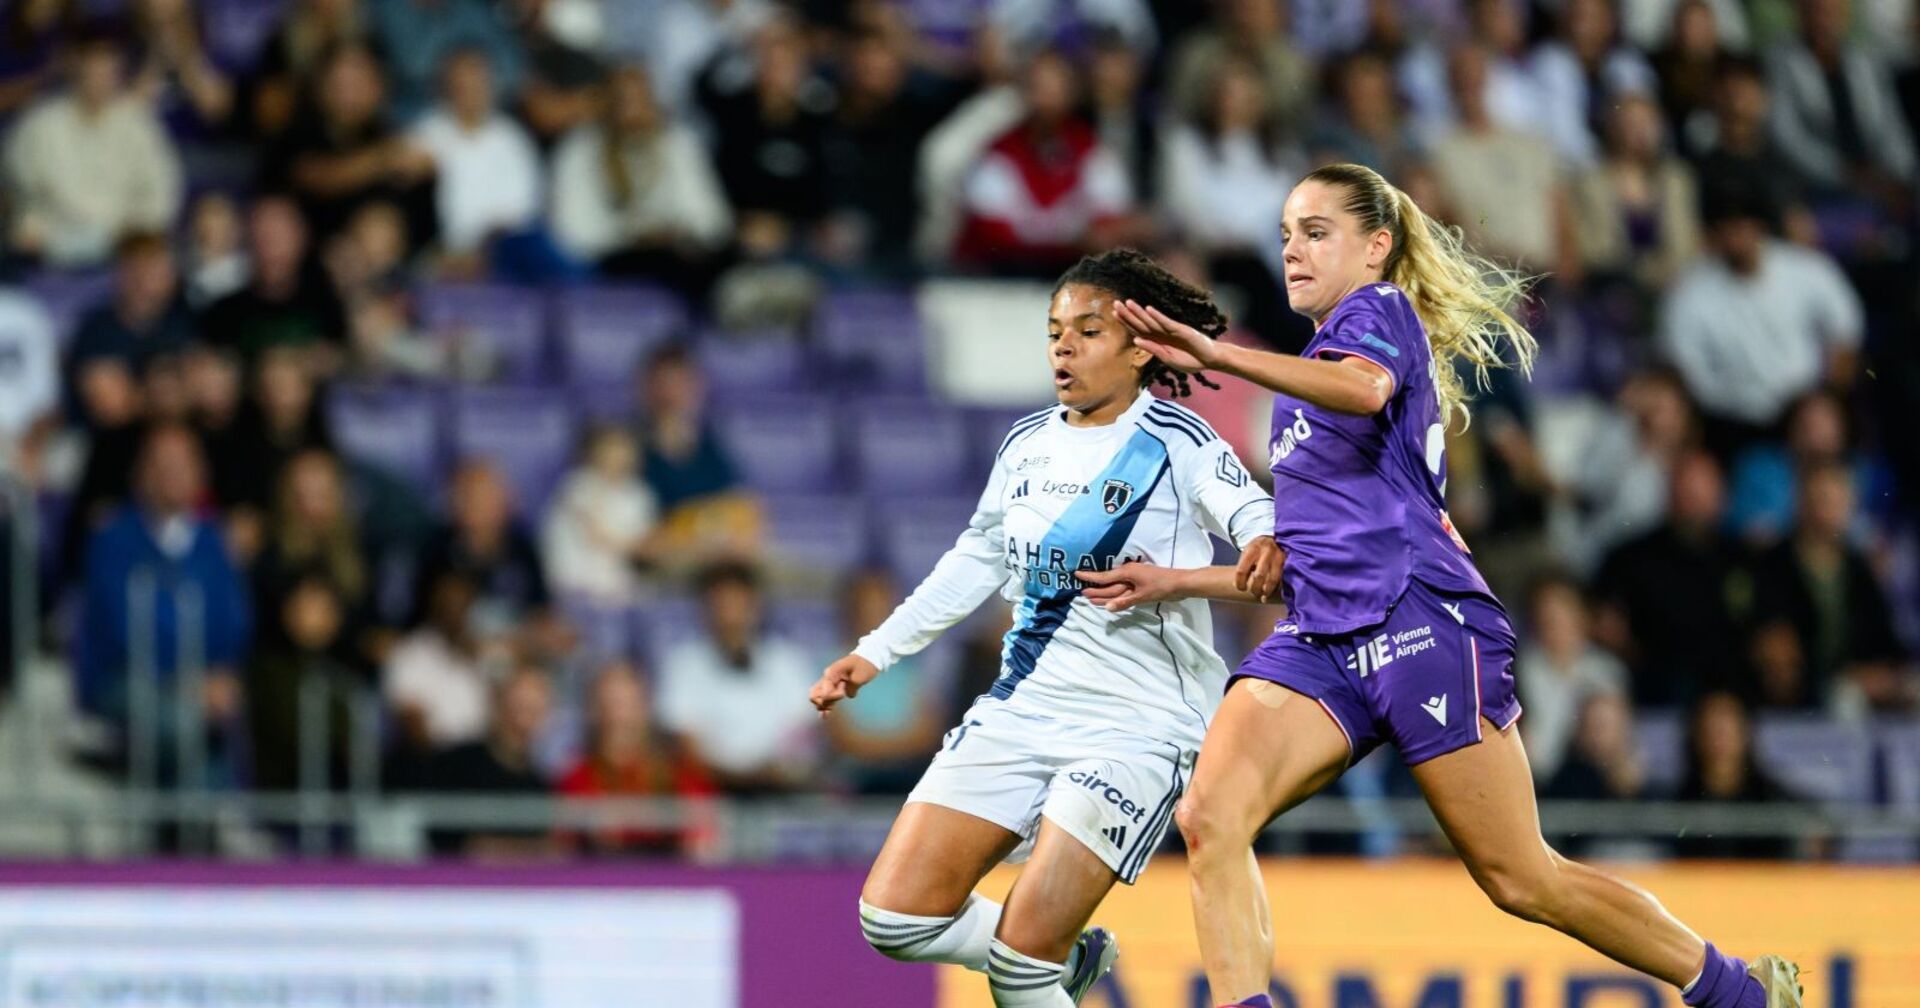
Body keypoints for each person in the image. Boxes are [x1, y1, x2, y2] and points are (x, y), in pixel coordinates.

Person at [1072, 164, 1800, 1008]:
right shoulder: (1301, 389)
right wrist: (1175, 581)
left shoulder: (1376, 316)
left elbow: (1364, 387)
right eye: (1283, 236)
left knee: (1521, 878)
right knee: (1211, 814)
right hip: (1327, 641)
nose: (1292, 252)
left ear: (1376, 248)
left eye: (1316, 232)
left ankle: (1735, 990)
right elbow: (1307, 567)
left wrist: (1220, 353)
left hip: (1421, 622)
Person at [810, 249, 1279, 1007]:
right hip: (1023, 708)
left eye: (1087, 331)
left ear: (1139, 348)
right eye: (1055, 331)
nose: (1063, 346)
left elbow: (1261, 530)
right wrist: (874, 655)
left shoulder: (1180, 445)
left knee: (1020, 964)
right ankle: (1071, 964)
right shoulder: (1025, 445)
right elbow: (976, 558)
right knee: (890, 918)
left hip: (1138, 726)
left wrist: (1255, 541)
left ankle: (1045, 968)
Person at [4, 28, 182, 267]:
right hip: (49, 253)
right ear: (75, 67)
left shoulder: (140, 125)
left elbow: (161, 193)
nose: (99, 76)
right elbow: (17, 194)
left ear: (119, 73)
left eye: (108, 68)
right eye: (92, 66)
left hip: (122, 254)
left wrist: (135, 232)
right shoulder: (39, 124)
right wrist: (31, 228)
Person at [660, 561, 821, 793]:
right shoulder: (684, 664)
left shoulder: (786, 661)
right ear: (705, 609)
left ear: (755, 606)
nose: (729, 615)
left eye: (737, 603)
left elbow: (802, 734)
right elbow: (686, 742)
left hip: (779, 790)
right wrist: (732, 775)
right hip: (710, 790)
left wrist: (774, 770)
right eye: (721, 604)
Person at [556, 660, 715, 857]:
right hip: (602, 876)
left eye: (625, 704)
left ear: (643, 708)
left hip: (669, 878)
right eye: (607, 704)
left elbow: (704, 838)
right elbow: (562, 846)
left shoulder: (677, 773)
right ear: (593, 711)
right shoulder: (577, 775)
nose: (616, 716)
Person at [540, 425, 661, 604]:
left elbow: (647, 544)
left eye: (622, 450)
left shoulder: (640, 494)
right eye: (610, 450)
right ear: (596, 453)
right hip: (576, 580)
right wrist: (633, 546)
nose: (617, 457)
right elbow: (595, 535)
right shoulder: (578, 485)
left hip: (619, 580)